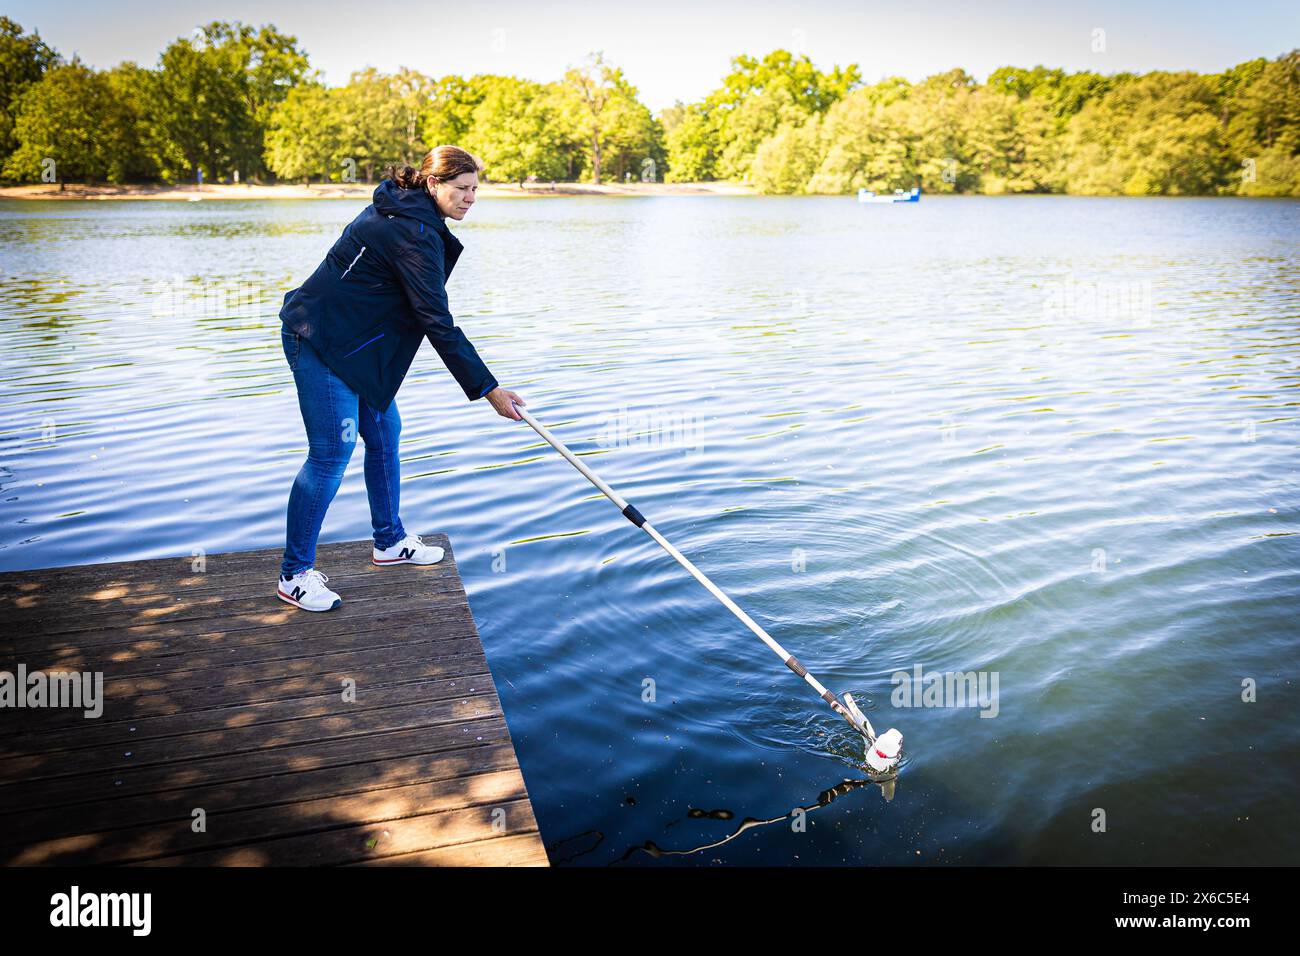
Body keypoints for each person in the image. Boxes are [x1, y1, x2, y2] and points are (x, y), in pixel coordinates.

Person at [276, 145, 525, 611]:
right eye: (463, 188)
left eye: (476, 189)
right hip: (318, 338)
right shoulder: (409, 230)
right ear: (434, 184)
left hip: (355, 346)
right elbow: (436, 319)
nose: (472, 198)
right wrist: (489, 389)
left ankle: (388, 542)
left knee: (385, 432)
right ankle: (294, 575)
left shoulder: (410, 213)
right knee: (332, 453)